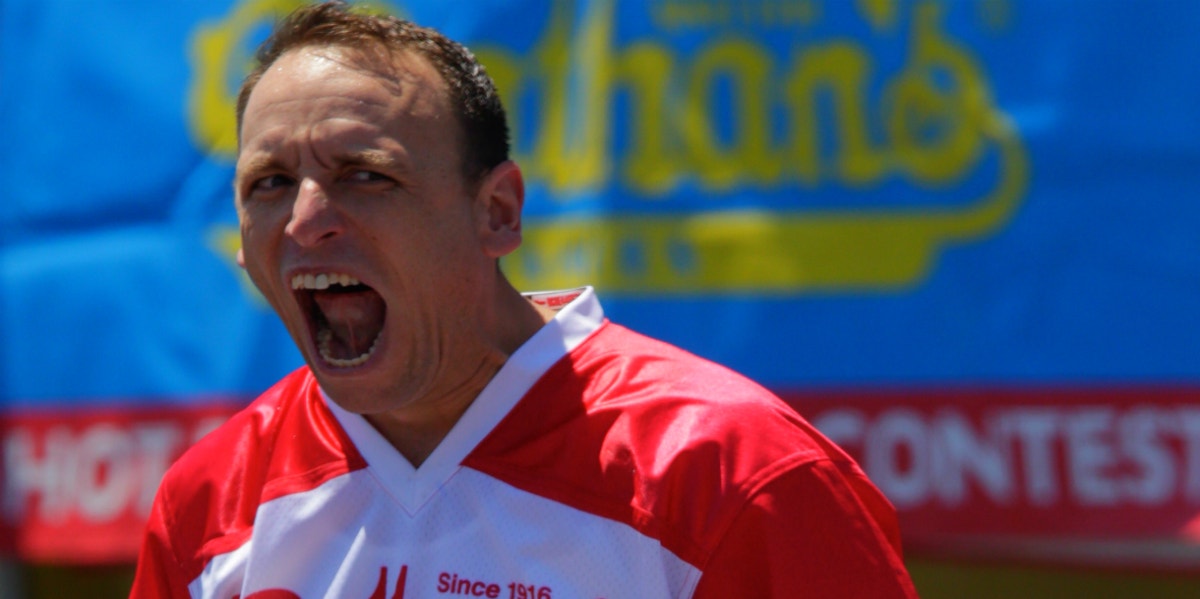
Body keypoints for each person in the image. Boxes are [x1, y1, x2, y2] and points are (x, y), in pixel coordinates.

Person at [131, 2, 918, 597]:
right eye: (269, 184)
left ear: (498, 213)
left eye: (364, 174)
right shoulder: (210, 503)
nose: (305, 221)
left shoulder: (734, 475)